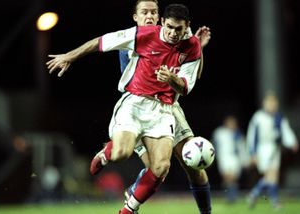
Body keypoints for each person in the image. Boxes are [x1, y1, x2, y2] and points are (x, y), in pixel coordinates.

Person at [46, 3, 205, 214]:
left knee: (161, 167)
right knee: (122, 154)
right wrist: (70, 56)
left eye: (179, 29)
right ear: (161, 23)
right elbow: (100, 42)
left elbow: (185, 87)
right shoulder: (142, 35)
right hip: (135, 103)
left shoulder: (192, 44)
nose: (173, 33)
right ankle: (109, 151)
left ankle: (129, 209)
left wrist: (172, 78)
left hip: (163, 109)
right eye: (169, 27)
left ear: (187, 26)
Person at [105, 1, 212, 213]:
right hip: (141, 109)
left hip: (171, 108)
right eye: (144, 13)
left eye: (153, 12)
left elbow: (192, 75)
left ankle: (206, 211)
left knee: (194, 165)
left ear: (160, 17)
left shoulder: (175, 32)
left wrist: (198, 47)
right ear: (135, 17)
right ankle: (129, 195)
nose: (150, 17)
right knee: (157, 169)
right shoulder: (134, 40)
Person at [246, 91, 299, 210]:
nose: (272, 105)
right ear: (264, 104)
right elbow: (252, 135)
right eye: (269, 103)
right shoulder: (258, 117)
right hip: (262, 149)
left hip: (275, 149)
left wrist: (292, 142)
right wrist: (253, 153)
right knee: (271, 175)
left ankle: (254, 194)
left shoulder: (279, 117)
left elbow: (286, 131)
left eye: (274, 103)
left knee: (273, 176)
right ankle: (273, 202)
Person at [212, 115, 248, 203]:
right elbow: (213, 145)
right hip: (223, 157)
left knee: (233, 178)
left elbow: (242, 148)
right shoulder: (219, 133)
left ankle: (232, 197)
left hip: (235, 158)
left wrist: (245, 160)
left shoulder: (238, 134)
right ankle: (230, 197)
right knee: (227, 177)